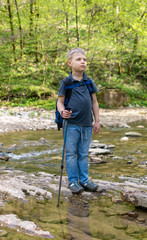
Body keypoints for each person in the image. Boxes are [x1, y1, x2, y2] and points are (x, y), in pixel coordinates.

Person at [57, 48, 100, 194]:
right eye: (78, 59)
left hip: (87, 124)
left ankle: (85, 180)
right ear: (70, 63)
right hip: (71, 124)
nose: (83, 62)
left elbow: (94, 102)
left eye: (84, 59)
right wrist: (62, 111)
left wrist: (97, 121)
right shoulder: (66, 82)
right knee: (70, 154)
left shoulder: (89, 82)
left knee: (83, 154)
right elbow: (60, 101)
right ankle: (73, 181)